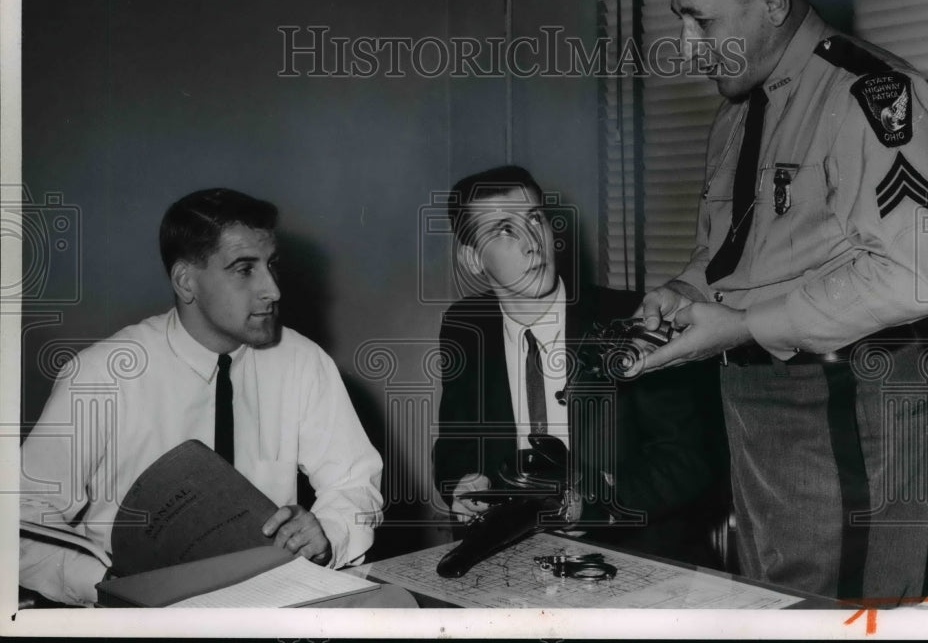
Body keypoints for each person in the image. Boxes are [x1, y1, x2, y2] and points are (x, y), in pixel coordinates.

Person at [629, 0, 928, 602]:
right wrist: (683, 293)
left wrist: (743, 326)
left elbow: (912, 279)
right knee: (775, 600)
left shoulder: (873, 95)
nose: (687, 50)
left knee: (850, 609)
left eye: (702, 23)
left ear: (772, 2)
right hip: (755, 400)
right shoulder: (737, 110)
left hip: (849, 400)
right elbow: (730, 257)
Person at [19, 188, 385, 606]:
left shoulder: (302, 361)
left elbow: (355, 481)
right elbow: (21, 519)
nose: (273, 290)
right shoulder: (100, 375)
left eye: (272, 266)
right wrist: (106, 584)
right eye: (244, 269)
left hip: (266, 605)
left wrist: (328, 532)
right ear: (185, 281)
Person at [433, 165, 728, 565]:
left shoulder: (634, 319)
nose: (533, 243)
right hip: (513, 554)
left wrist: (595, 504)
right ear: (472, 259)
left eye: (535, 218)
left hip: (631, 551)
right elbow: (454, 447)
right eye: (504, 229)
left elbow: (687, 460)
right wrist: (463, 486)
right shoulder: (465, 327)